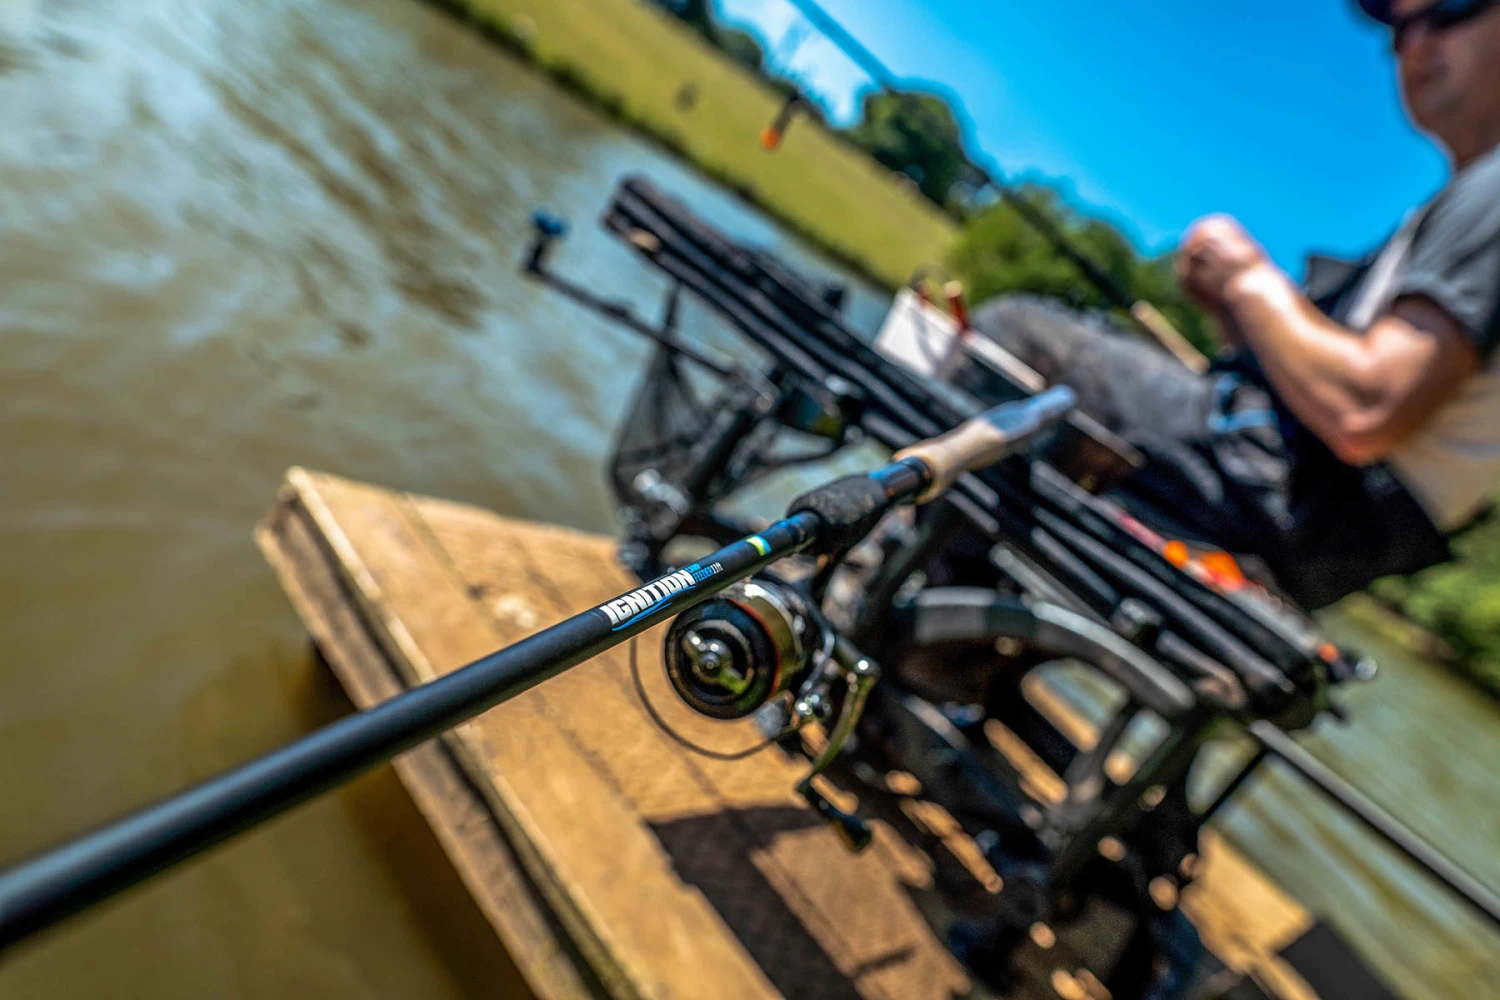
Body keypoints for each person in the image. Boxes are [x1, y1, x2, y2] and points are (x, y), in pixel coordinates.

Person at [964, 0, 1500, 609]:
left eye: (1449, 8)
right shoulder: (1464, 198)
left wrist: (1248, 279)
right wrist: (1235, 316)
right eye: (1399, 29)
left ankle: (924, 621)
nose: (1415, 44)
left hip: (1295, 487)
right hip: (1320, 527)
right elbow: (1339, 395)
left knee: (1019, 335)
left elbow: (1367, 409)